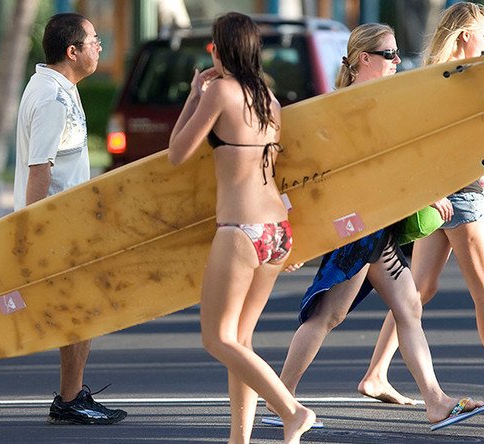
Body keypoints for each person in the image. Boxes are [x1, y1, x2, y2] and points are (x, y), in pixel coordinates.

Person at [272, 22, 484, 431]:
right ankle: (279, 402)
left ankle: (435, 401)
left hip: (373, 226)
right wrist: (426, 194)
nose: (396, 62)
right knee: (326, 317)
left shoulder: (370, 100)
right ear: (363, 59)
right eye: (388, 55)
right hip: (357, 227)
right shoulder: (353, 105)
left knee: (405, 306)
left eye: (396, 54)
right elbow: (373, 168)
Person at [0, 13, 127, 426]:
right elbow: (39, 169)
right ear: (72, 51)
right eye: (94, 40)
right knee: (68, 309)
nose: (99, 46)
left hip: (68, 227)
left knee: (52, 306)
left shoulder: (60, 87)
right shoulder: (51, 98)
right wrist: (30, 232)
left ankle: (55, 390)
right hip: (56, 230)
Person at [357, 1, 484, 409]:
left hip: (447, 192)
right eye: (482, 34)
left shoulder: (436, 76)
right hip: (459, 195)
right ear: (465, 36)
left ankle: (376, 375)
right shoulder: (458, 79)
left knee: (420, 289)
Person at [168, 12, 318, 444]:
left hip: (241, 230)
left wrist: (194, 97)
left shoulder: (220, 91)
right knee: (241, 339)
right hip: (277, 232)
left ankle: (291, 411)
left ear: (220, 49)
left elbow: (178, 153)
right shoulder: (268, 100)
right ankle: (240, 439)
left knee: (217, 339)